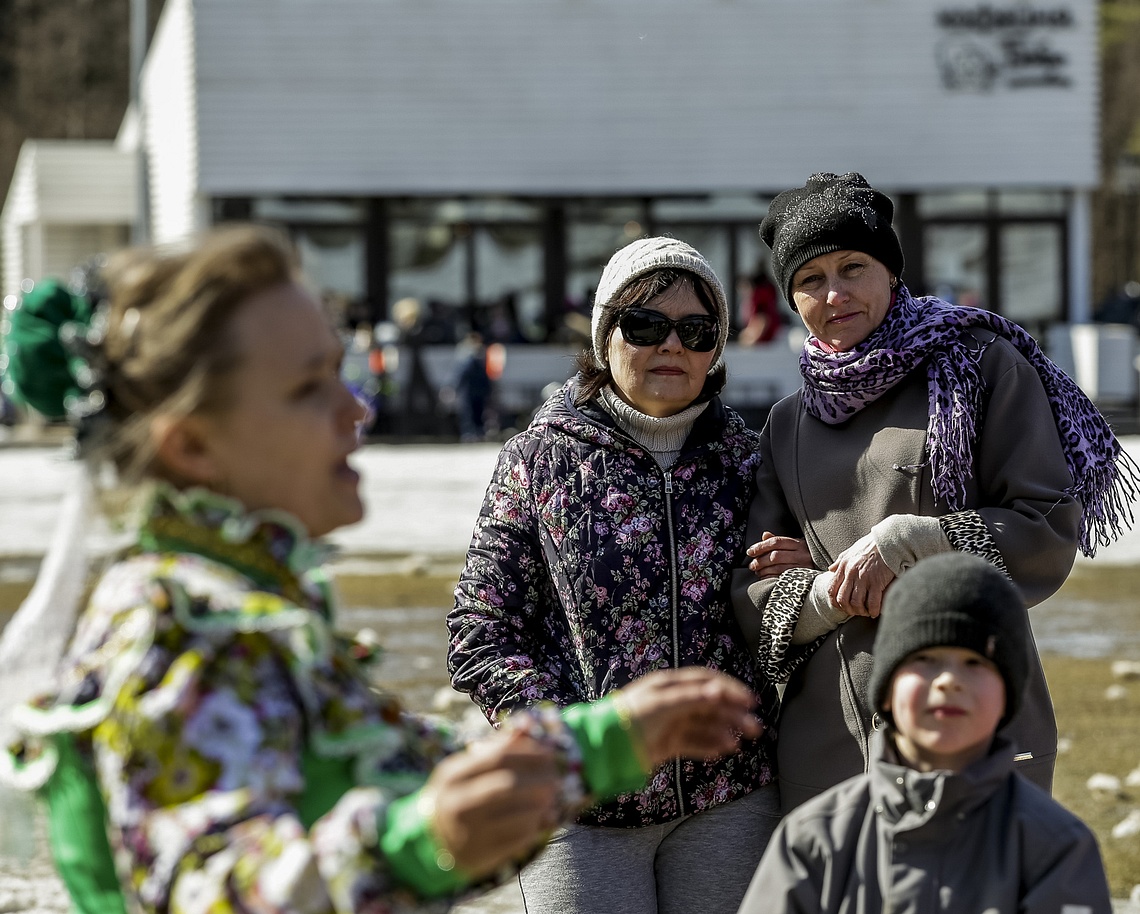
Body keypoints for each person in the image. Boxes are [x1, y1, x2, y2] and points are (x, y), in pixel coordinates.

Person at [0, 226, 763, 914]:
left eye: (340, 372)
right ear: (191, 446)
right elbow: (214, 887)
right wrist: (420, 839)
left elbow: (413, 769)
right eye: (307, 387)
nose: (357, 409)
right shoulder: (176, 626)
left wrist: (614, 738)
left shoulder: (254, 606)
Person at [732, 172, 1139, 811]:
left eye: (853, 267)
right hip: (831, 748)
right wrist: (830, 592)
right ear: (790, 299)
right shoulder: (788, 424)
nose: (835, 292)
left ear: (893, 274)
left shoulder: (979, 365)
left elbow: (1046, 525)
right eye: (811, 279)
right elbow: (753, 592)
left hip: (970, 721)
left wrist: (908, 543)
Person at [447, 237, 793, 914]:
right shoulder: (537, 460)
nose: (672, 346)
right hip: (581, 803)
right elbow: (479, 632)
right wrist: (574, 736)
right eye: (645, 326)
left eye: (696, 331)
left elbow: (791, 612)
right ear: (607, 336)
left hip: (730, 796)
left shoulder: (752, 462)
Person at [737, 552, 1113, 914]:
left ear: (1008, 694)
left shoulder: (1055, 846)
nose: (949, 681)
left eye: (974, 663)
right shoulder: (816, 838)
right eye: (925, 660)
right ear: (887, 687)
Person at [737, 266, 783, 345]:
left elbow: (762, 319)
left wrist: (751, 339)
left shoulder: (759, 298)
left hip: (765, 343)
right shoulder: (751, 300)